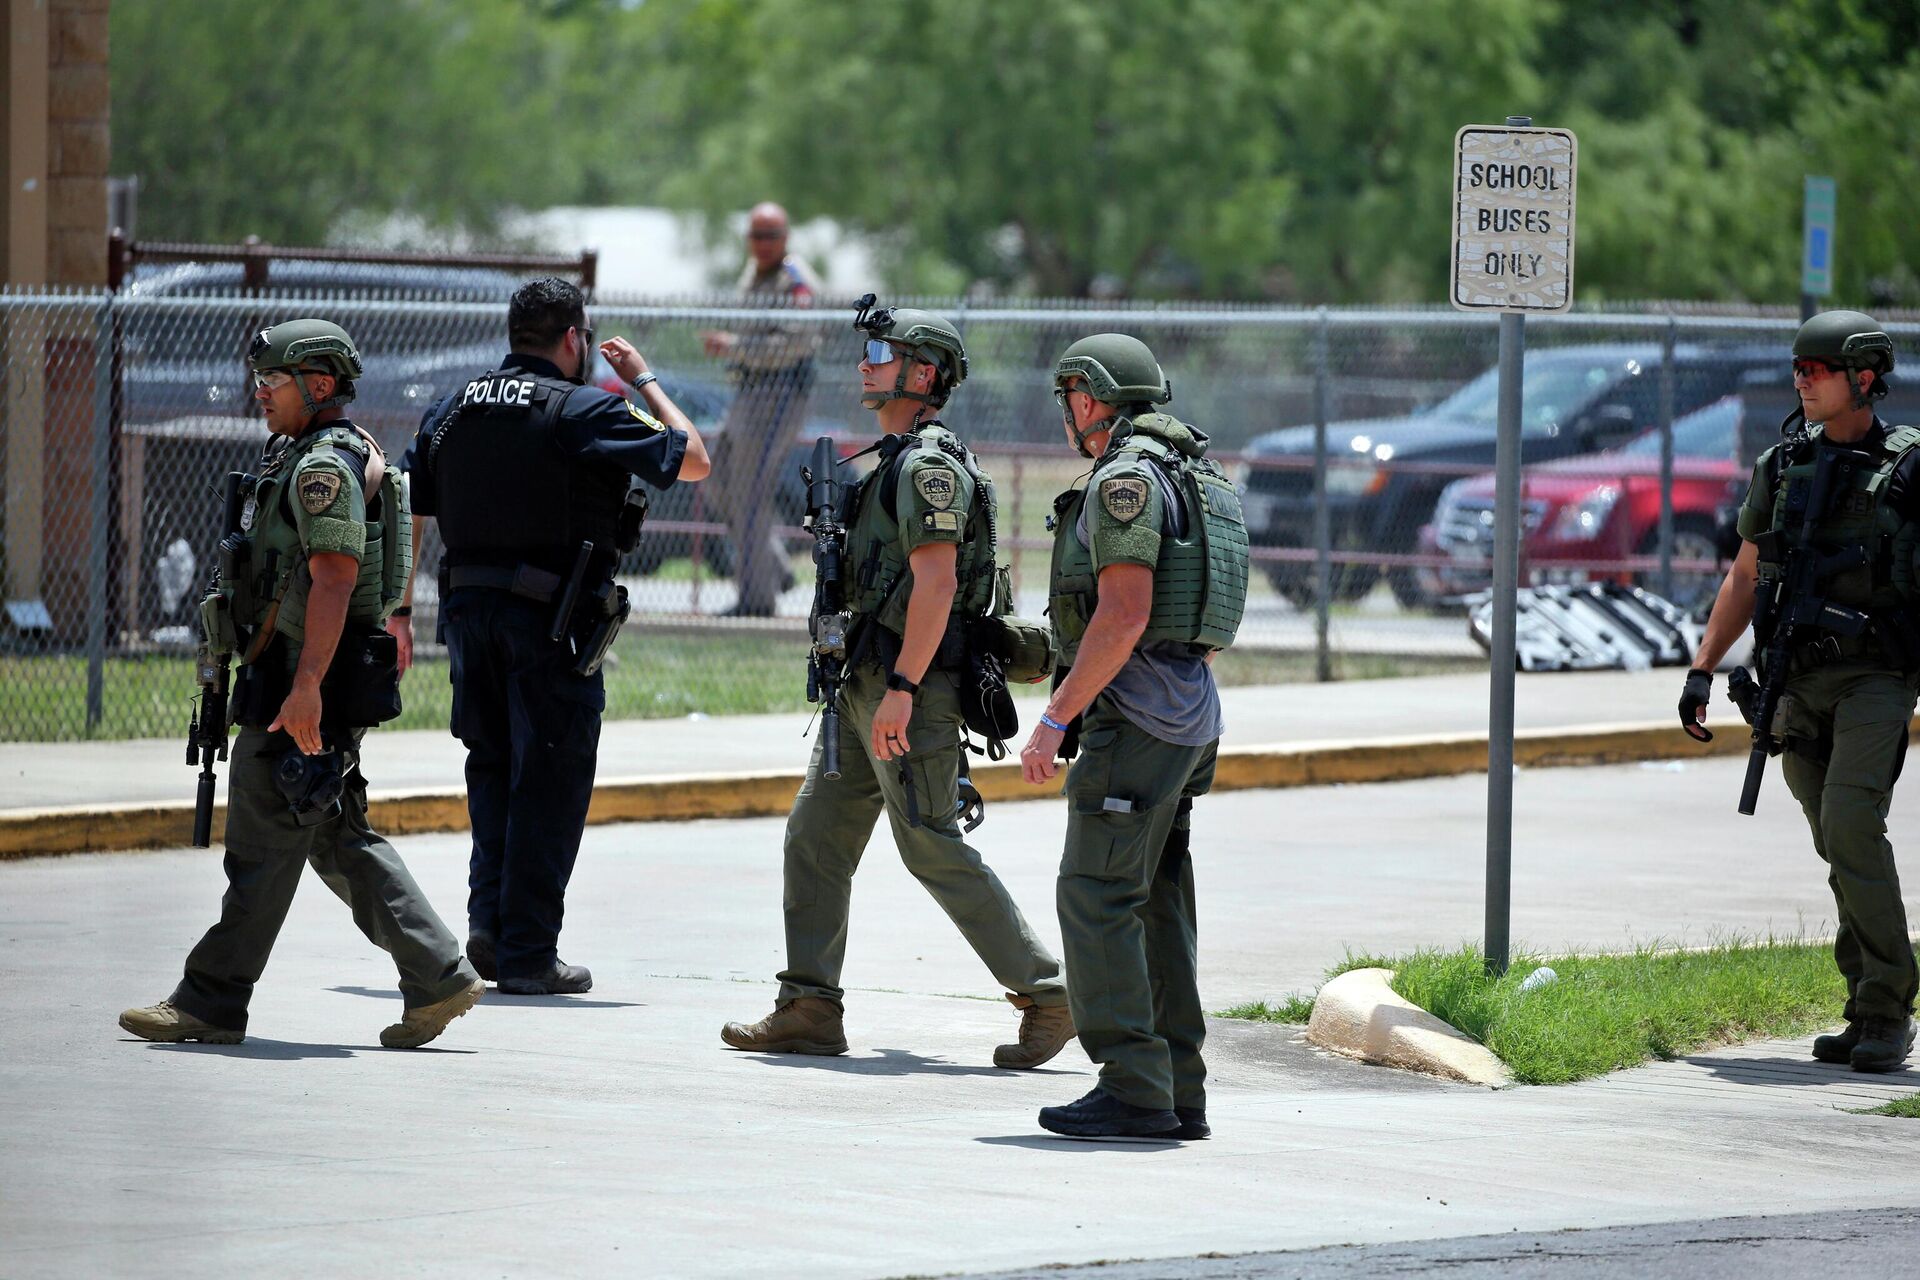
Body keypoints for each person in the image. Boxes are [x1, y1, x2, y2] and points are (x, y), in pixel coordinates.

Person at [722, 297, 1073, 1066]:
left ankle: (1047, 994)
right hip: (863, 681)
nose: (864, 364)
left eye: (881, 353)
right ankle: (810, 1004)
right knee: (814, 837)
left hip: (905, 685)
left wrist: (906, 689)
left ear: (922, 373)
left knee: (931, 847)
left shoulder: (928, 467)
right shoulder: (894, 458)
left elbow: (937, 585)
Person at [119, 319, 483, 1050]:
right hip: (298, 674)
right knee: (334, 834)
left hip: (303, 680)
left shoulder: (324, 466)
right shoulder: (306, 454)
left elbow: (335, 577)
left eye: (272, 380)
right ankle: (438, 973)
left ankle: (212, 1000)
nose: (258, 393)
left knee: (262, 840)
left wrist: (306, 685)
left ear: (318, 385)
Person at [399, 278, 710, 995]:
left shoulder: (452, 410)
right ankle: (530, 953)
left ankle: (489, 926)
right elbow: (692, 458)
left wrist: (396, 612)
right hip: (549, 624)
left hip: (466, 617)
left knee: (492, 769)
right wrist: (644, 379)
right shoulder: (582, 407)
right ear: (573, 339)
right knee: (550, 779)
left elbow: (410, 503)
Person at [1021, 333, 1249, 1139]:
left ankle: (1132, 1086)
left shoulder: (1125, 478)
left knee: (1095, 895)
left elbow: (1123, 613)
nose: (1068, 413)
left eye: (1069, 399)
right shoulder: (1196, 476)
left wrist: (1054, 721)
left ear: (1089, 398)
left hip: (1139, 719)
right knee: (1156, 902)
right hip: (1191, 712)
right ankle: (1178, 1090)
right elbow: (1209, 619)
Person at [1681, 308, 1919, 1073]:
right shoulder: (1782, 466)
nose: (1801, 382)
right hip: (1798, 677)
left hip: (1879, 672)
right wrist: (1702, 667)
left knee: (1852, 822)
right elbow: (1746, 573)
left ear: (1864, 378)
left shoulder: (1912, 468)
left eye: (1815, 370)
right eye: (1798, 370)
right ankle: (1865, 1004)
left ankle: (1888, 1006)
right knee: (1833, 839)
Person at [700, 202, 823, 616]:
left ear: (785, 238)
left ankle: (756, 599)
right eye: (756, 235)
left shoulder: (794, 279)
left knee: (750, 490)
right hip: (748, 390)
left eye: (771, 236)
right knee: (715, 476)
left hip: (780, 390)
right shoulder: (753, 273)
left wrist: (735, 346)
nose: (763, 244)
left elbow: (797, 343)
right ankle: (772, 567)